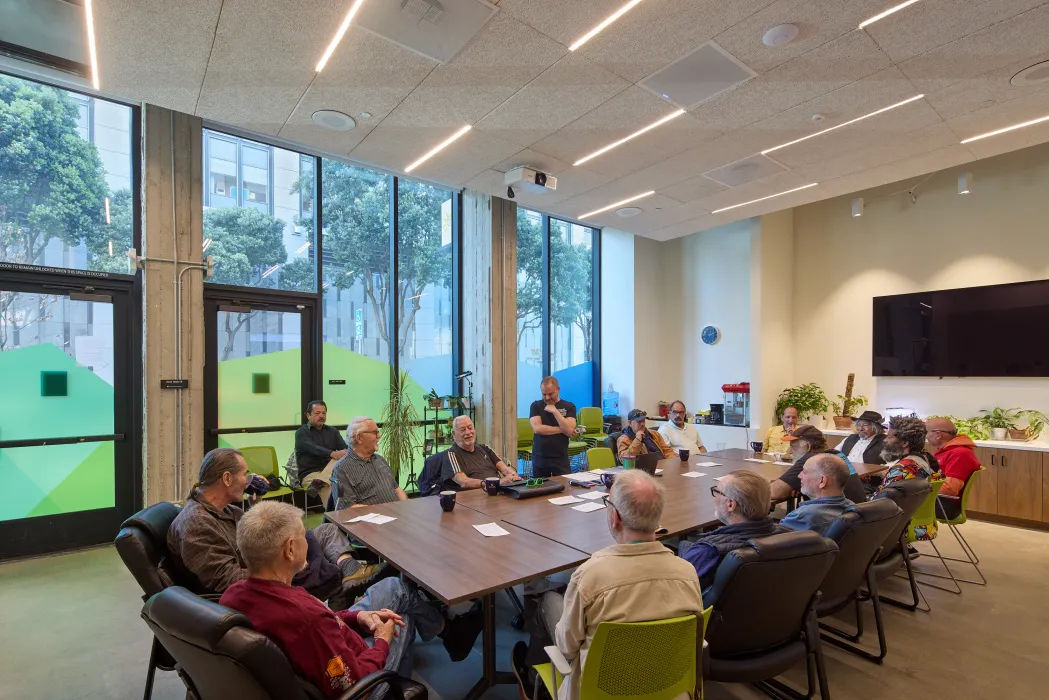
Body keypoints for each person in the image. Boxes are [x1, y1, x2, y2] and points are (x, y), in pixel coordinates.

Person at [219, 502, 485, 700]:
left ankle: (449, 633)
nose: (308, 543)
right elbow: (353, 682)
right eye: (304, 537)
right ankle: (432, 651)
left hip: (331, 638)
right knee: (403, 617)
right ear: (290, 549)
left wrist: (354, 616)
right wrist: (382, 640)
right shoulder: (306, 619)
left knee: (396, 589)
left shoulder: (233, 595)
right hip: (360, 685)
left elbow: (321, 620)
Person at [514, 470, 703, 700]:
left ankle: (533, 680)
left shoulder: (589, 576)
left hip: (596, 694)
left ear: (615, 517)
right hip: (670, 691)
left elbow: (566, 648)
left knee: (549, 600)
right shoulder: (688, 573)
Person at [166, 448, 377, 599]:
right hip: (263, 583)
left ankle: (348, 573)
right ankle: (344, 580)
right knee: (326, 569)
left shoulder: (226, 509)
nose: (248, 480)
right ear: (227, 478)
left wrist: (254, 504)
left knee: (326, 530)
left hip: (267, 562)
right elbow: (226, 580)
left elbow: (256, 535)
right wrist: (284, 566)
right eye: (244, 474)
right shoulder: (196, 524)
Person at [678, 470, 790, 589]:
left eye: (717, 492)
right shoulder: (791, 537)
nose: (715, 497)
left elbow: (677, 592)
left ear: (730, 504)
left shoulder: (708, 552)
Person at [874, 415, 939, 538]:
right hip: (918, 521)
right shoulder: (925, 459)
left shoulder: (901, 469)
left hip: (896, 525)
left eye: (889, 437)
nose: (884, 440)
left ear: (904, 443)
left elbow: (879, 503)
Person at [769, 425, 867, 504]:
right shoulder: (836, 454)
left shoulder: (812, 459)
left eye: (793, 446)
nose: (791, 450)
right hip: (856, 514)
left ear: (807, 446)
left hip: (832, 517)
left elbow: (774, 492)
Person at [332, 417, 409, 510]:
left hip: (397, 515)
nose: (379, 435)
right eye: (375, 432)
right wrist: (384, 511)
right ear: (359, 438)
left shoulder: (380, 459)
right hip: (370, 522)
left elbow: (396, 489)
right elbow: (347, 508)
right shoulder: (341, 468)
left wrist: (405, 507)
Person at [780, 453, 856, 536]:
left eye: (805, 472)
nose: (799, 475)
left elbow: (773, 543)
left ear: (822, 481)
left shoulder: (803, 516)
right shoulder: (852, 507)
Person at [438, 415, 521, 490]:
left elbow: (505, 469)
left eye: (470, 428)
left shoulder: (485, 448)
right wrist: (495, 483)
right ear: (454, 433)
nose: (468, 432)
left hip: (496, 492)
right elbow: (464, 482)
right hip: (473, 498)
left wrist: (514, 476)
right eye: (463, 430)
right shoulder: (451, 454)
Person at [926, 417, 982, 520]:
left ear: (938, 434)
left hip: (945, 505)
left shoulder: (959, 454)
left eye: (926, 432)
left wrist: (919, 486)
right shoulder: (945, 451)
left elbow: (950, 489)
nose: (925, 436)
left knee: (897, 504)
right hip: (938, 500)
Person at [294, 400, 348, 502]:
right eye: (317, 413)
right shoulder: (301, 433)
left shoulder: (333, 431)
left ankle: (320, 482)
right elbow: (313, 448)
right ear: (308, 415)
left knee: (343, 456)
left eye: (324, 413)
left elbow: (344, 449)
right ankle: (336, 515)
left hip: (331, 473)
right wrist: (332, 453)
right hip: (310, 474)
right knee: (329, 486)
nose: (321, 416)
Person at [529, 377, 577, 477]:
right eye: (544, 394)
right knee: (541, 490)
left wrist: (555, 411)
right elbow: (538, 429)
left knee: (565, 488)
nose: (547, 398)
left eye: (550, 394)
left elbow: (569, 430)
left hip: (560, 457)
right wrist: (563, 429)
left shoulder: (569, 406)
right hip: (540, 456)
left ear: (558, 389)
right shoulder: (535, 406)